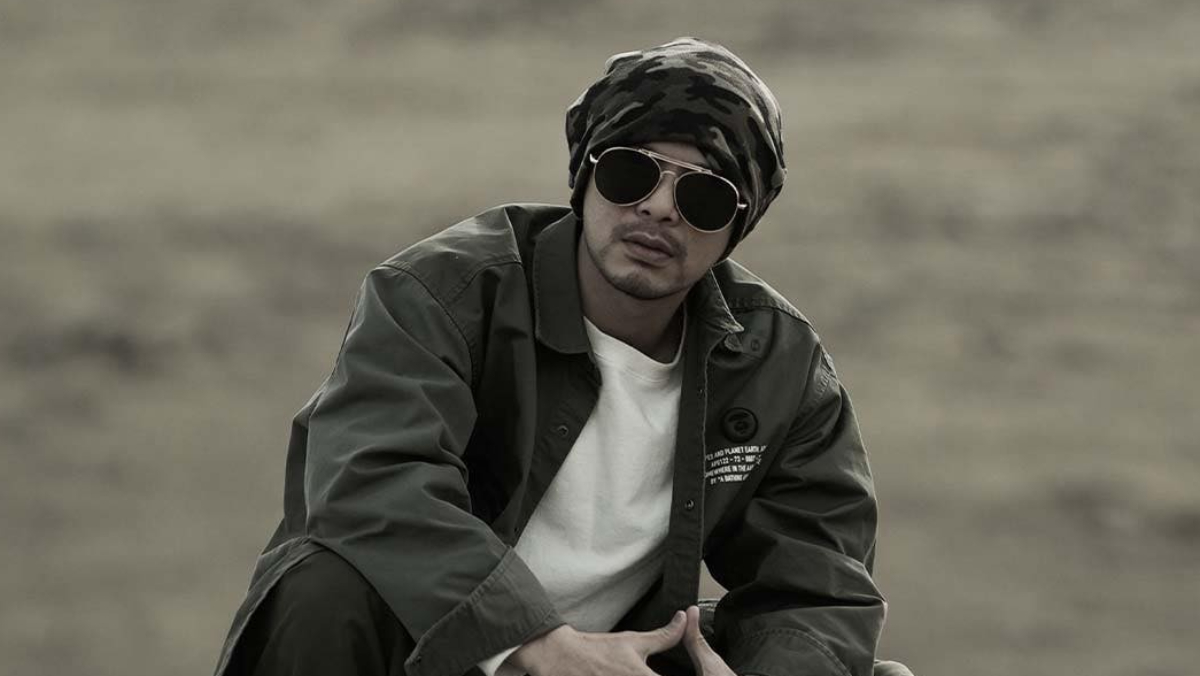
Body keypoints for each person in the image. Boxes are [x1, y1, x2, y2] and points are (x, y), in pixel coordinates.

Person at [213, 37, 913, 676]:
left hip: (623, 657)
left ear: (737, 226)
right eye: (631, 172)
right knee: (325, 583)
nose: (659, 209)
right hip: (434, 649)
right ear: (584, 177)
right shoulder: (443, 294)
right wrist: (537, 642)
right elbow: (371, 480)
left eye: (703, 194)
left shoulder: (777, 366)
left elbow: (819, 583)